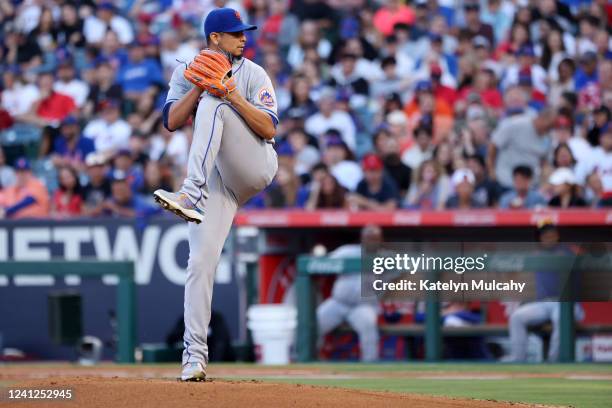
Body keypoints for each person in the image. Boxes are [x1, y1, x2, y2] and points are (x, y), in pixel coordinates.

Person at [152, 8, 279, 381]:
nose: (243, 38)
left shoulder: (254, 73)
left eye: (244, 32)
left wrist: (232, 95)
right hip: (218, 181)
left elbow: (269, 128)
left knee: (217, 102)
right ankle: (194, 359)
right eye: (235, 33)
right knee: (199, 264)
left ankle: (189, 193)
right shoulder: (184, 70)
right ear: (214, 38)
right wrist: (198, 85)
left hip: (254, 164)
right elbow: (172, 121)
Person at [508, 221, 583, 362]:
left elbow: (581, 258)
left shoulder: (567, 251)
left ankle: (554, 362)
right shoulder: (536, 254)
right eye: (545, 236)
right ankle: (518, 361)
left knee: (560, 319)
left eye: (552, 235)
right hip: (544, 304)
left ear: (557, 236)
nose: (548, 238)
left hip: (567, 304)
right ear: (540, 238)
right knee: (517, 317)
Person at [317, 225, 383, 362]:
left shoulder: (386, 257)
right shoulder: (347, 251)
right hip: (338, 303)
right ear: (362, 239)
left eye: (374, 238)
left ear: (380, 240)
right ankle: (306, 360)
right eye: (368, 238)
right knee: (315, 320)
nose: (371, 241)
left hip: (364, 307)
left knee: (369, 325)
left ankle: (370, 366)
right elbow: (323, 263)